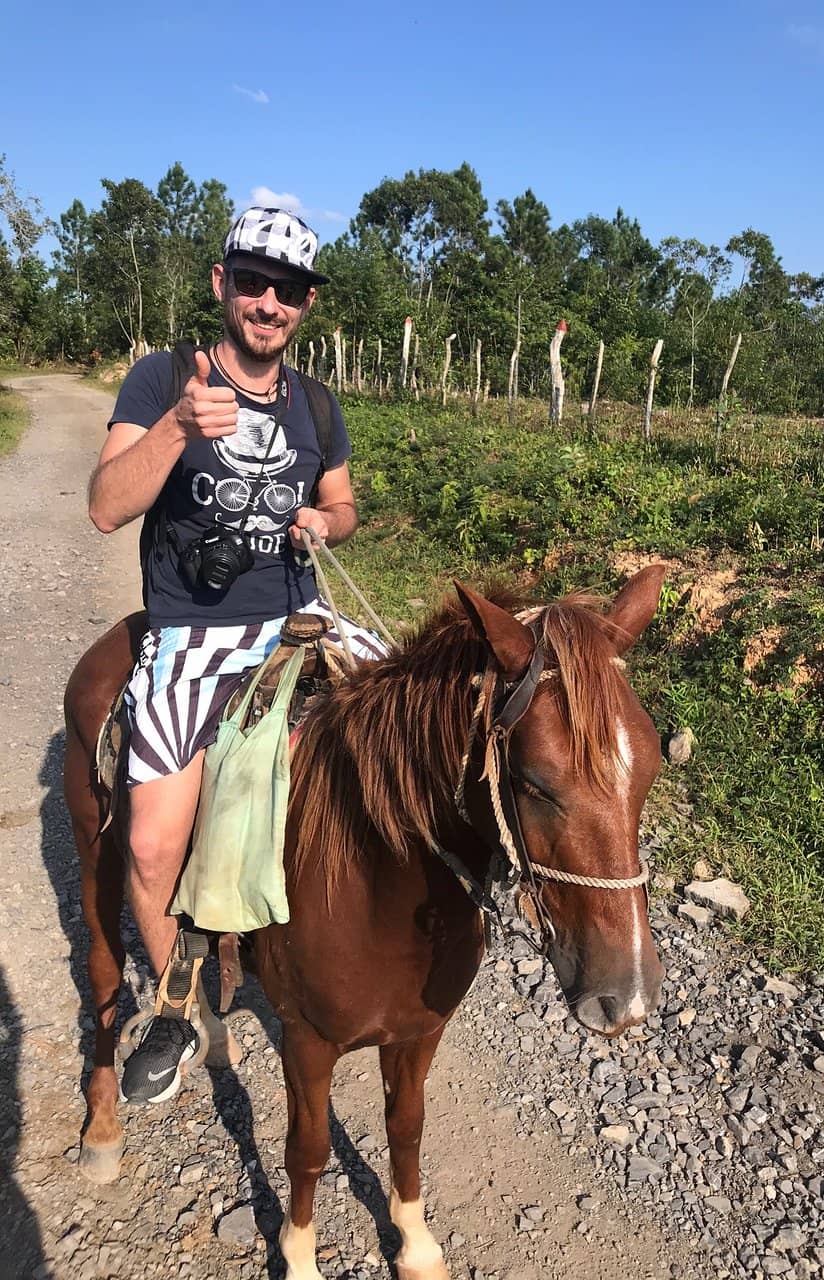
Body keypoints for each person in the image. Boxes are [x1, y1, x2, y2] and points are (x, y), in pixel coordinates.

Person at [89, 207, 384, 1104]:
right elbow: (105, 505)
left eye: (286, 289)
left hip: (298, 625)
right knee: (149, 843)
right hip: (189, 635)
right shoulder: (162, 378)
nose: (267, 302)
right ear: (222, 284)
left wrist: (321, 521)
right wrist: (178, 427)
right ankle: (178, 997)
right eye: (251, 281)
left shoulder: (317, 404)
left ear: (304, 306)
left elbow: (345, 509)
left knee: (410, 748)